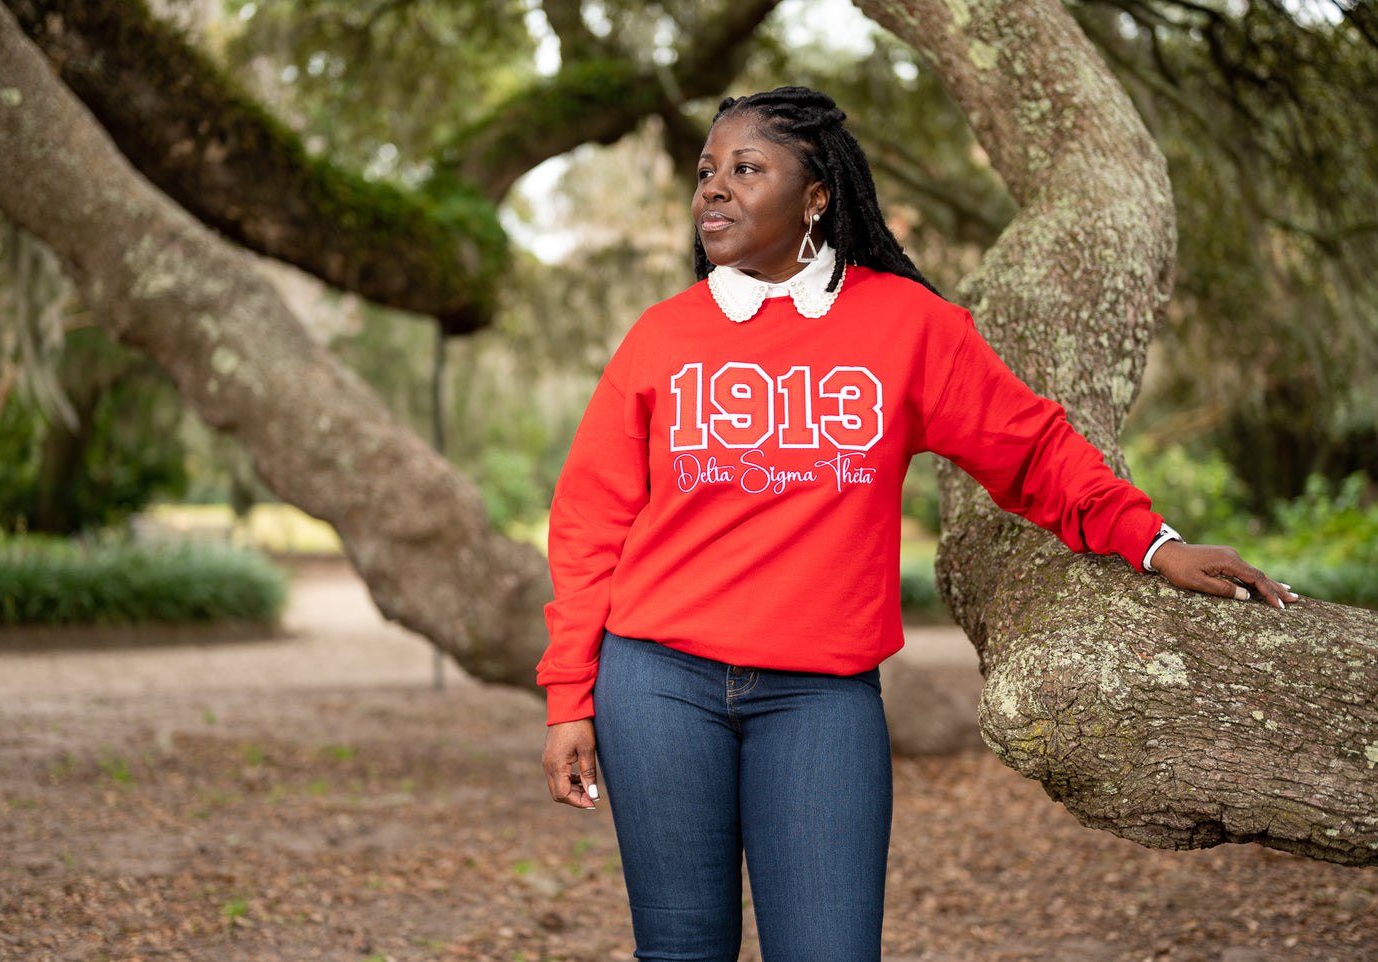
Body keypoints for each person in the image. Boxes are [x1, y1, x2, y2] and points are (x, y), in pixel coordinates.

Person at [537, 86, 1296, 962]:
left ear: (817, 193)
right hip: (656, 686)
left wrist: (1153, 542)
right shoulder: (663, 336)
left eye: (746, 169)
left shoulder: (906, 326)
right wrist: (569, 699)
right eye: (707, 171)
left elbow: (1031, 450)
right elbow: (589, 522)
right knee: (680, 952)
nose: (713, 189)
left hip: (818, 695)